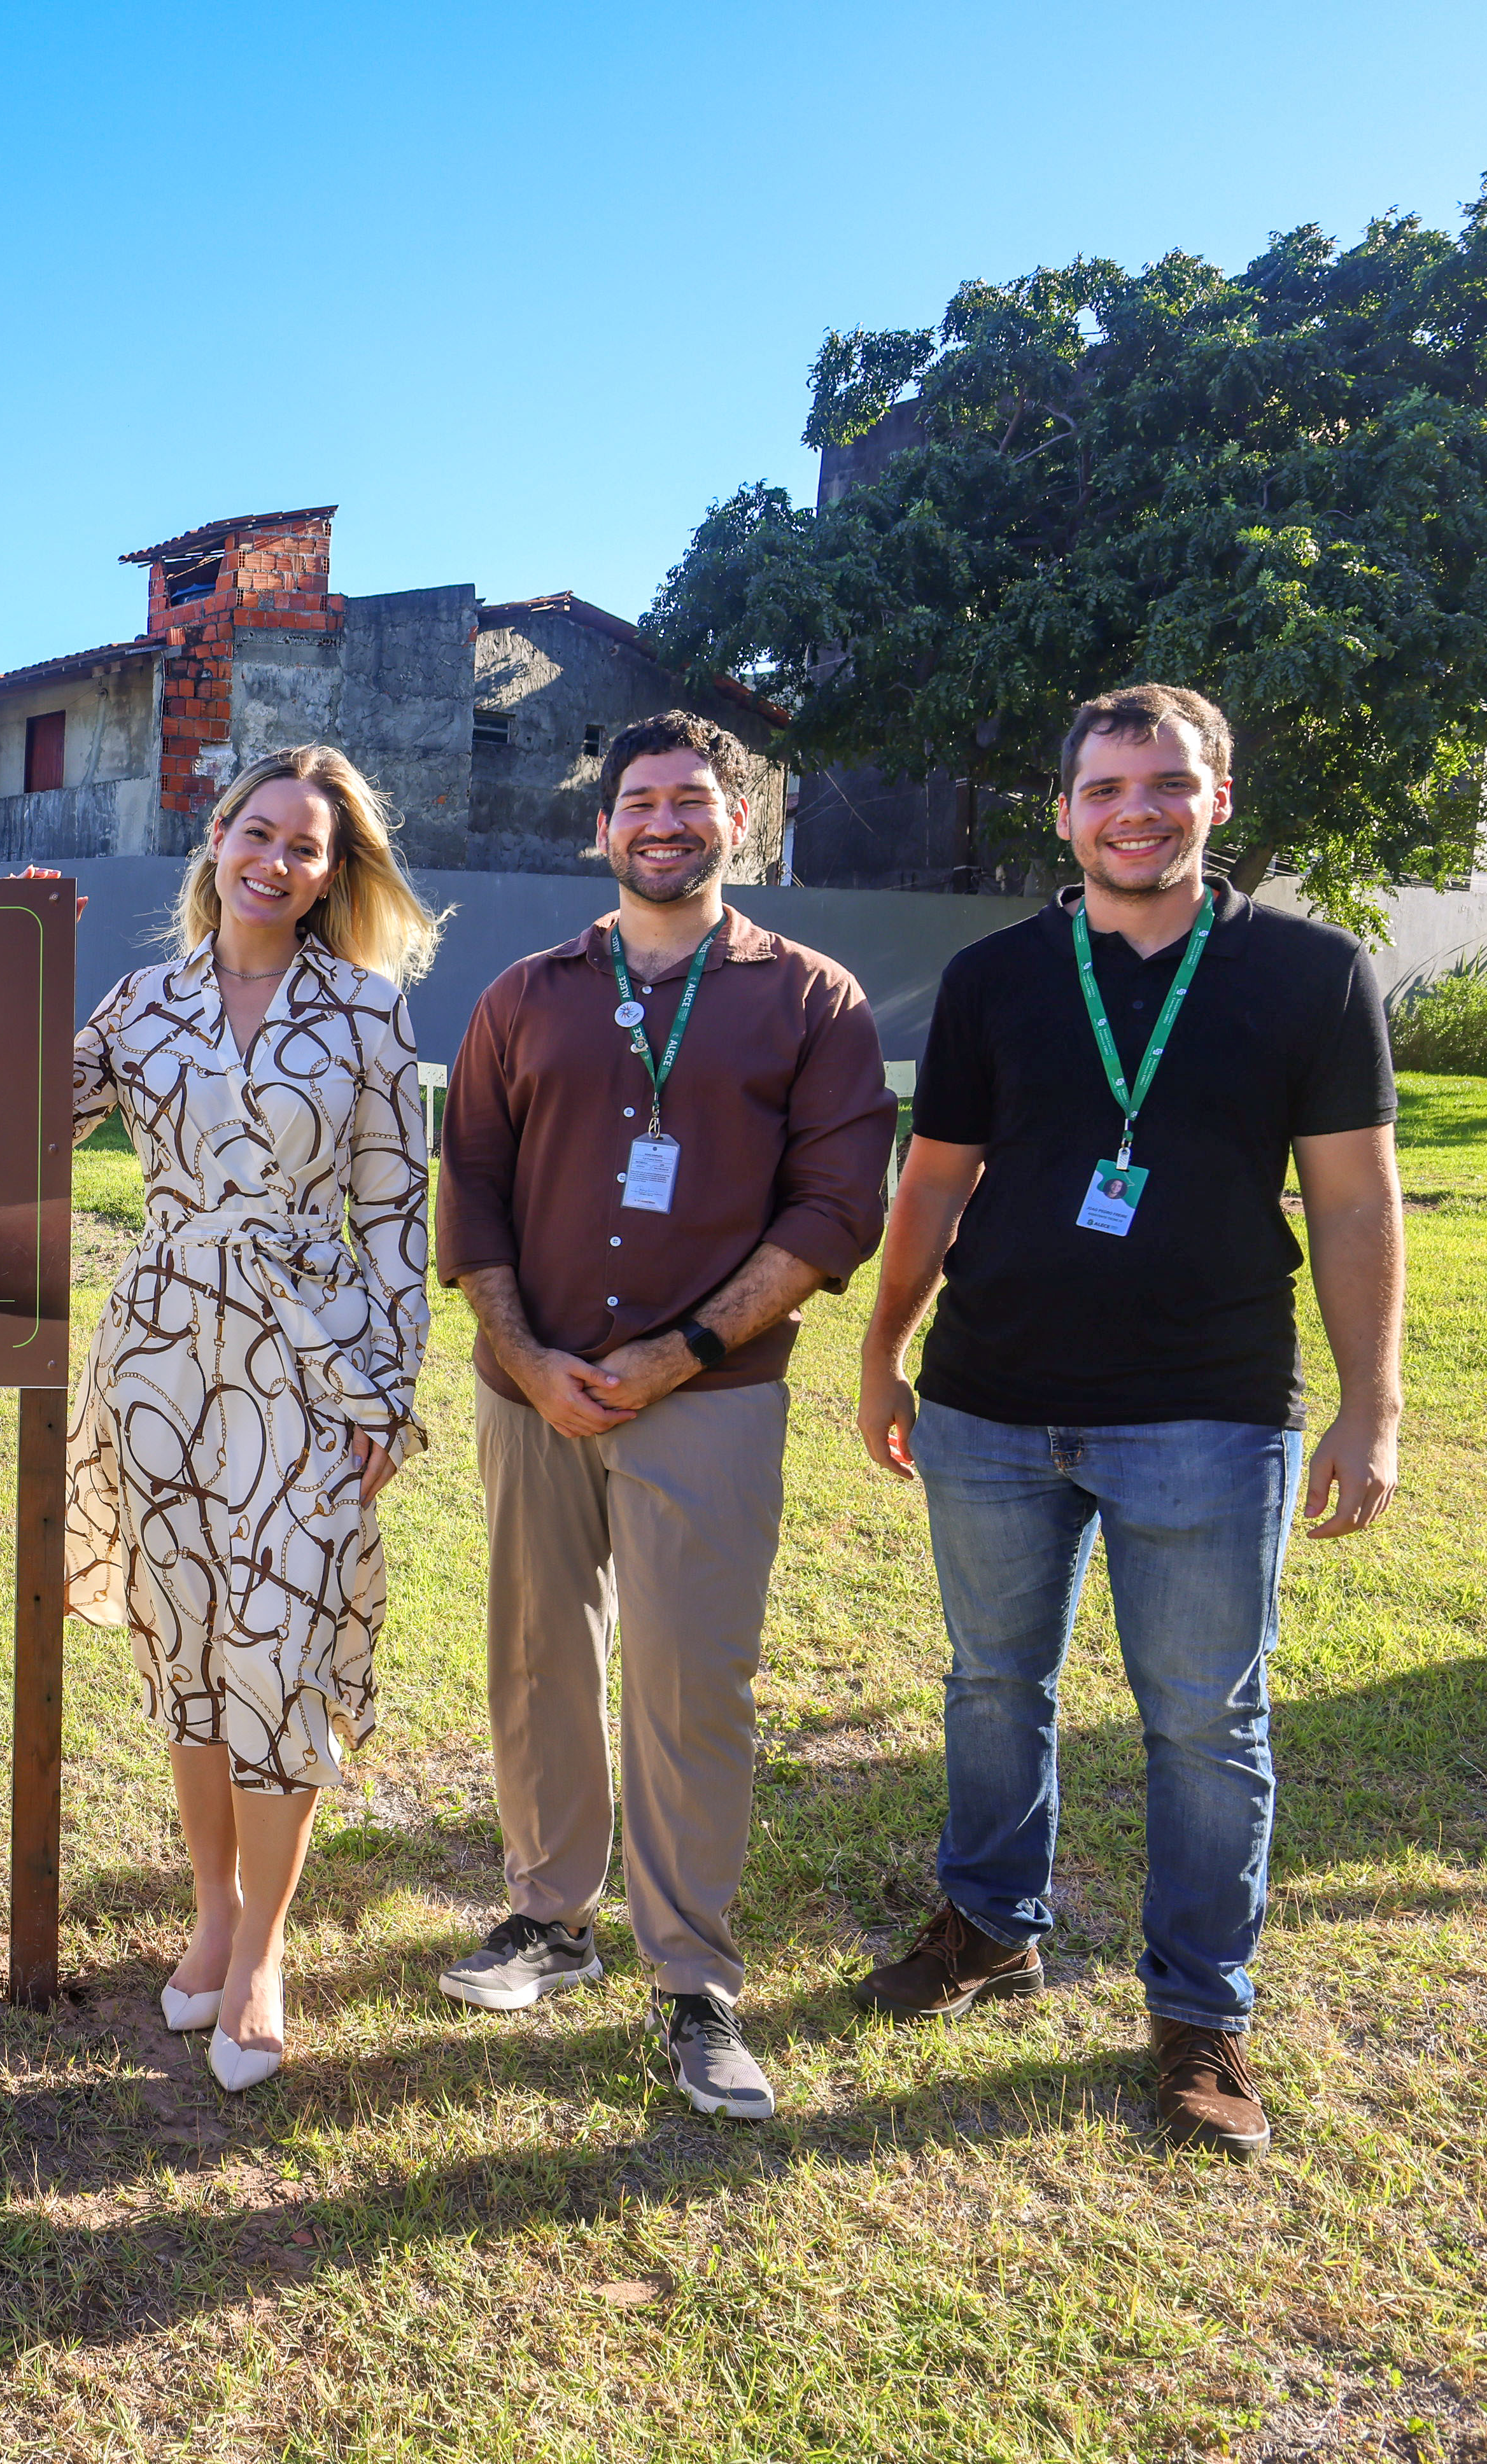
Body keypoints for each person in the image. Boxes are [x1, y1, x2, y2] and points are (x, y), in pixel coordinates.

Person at [855, 682, 1402, 2160]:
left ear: (1217, 798)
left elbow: (1355, 1201)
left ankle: (1200, 2016)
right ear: (1064, 813)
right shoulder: (994, 976)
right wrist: (885, 1351)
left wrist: (1373, 1404)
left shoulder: (1312, 972)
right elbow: (933, 1182)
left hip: (1208, 1410)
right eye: (1105, 788)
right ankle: (989, 1924)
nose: (1135, 812)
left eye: (1166, 783)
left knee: (1207, 1723)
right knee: (992, 1684)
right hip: (991, 1401)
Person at [435, 711, 892, 2124]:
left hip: (712, 1394)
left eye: (692, 800)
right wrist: (524, 1356)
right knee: (537, 1656)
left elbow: (838, 1209)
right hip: (534, 1387)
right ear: (603, 828)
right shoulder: (525, 993)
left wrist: (682, 1352)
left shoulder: (810, 998)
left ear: (737, 821)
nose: (664, 823)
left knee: (692, 1683)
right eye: (639, 801)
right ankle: (548, 1919)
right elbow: (473, 1185)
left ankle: (693, 1980)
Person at [64, 744, 437, 2096]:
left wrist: (388, 1394)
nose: (276, 861)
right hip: (163, 1350)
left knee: (282, 1646)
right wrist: (22, 954)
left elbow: (396, 1210)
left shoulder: (366, 1013)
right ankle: (213, 1913)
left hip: (310, 1352)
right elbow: (31, 1116)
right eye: (258, 832)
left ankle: (265, 1950)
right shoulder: (142, 1001)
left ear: (333, 876)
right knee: (190, 1647)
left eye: (307, 847)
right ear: (217, 837)